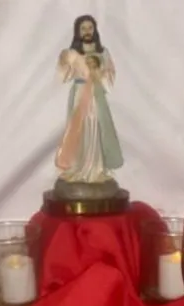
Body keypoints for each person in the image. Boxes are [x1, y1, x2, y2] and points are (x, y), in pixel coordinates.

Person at [55, 15, 123, 183]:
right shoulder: (72, 54)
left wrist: (99, 73)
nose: (87, 31)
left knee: (96, 126)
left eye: (90, 28)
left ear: (95, 30)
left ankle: (96, 167)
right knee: (79, 127)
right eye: (83, 28)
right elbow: (63, 74)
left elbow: (110, 74)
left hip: (96, 94)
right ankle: (78, 166)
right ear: (78, 31)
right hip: (79, 93)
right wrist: (64, 61)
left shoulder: (102, 52)